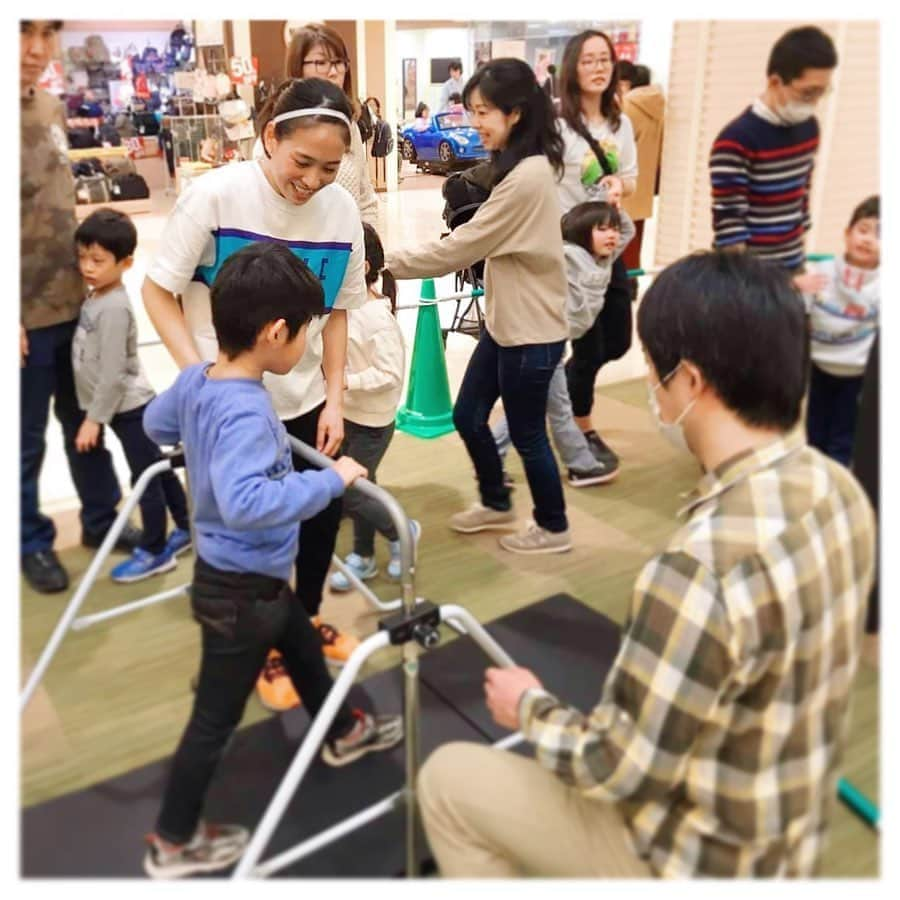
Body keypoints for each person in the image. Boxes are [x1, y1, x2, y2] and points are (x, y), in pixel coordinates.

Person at [417, 250, 876, 878]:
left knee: (448, 779)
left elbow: (618, 768)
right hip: (786, 841)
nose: (655, 392)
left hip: (691, 858)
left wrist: (527, 706)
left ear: (689, 382)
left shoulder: (696, 569)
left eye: (657, 375)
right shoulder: (841, 490)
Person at [141, 243, 402, 879]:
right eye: (307, 332)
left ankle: (341, 731)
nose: (307, 344)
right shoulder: (250, 410)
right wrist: (332, 482)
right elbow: (247, 501)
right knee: (214, 720)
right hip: (239, 590)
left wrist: (193, 416)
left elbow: (155, 423)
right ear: (276, 332)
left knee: (304, 645)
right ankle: (172, 842)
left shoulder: (200, 378)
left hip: (249, 582)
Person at [142, 78, 366, 712]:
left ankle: (304, 626)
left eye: (329, 167)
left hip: (301, 400)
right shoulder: (214, 196)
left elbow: (340, 311)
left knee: (318, 518)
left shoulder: (341, 211)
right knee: (243, 533)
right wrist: (201, 382)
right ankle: (263, 645)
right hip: (232, 404)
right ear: (271, 137)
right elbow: (158, 291)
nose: (313, 180)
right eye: (302, 162)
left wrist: (335, 398)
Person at [385, 58, 572, 555]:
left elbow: (459, 249)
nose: (476, 122)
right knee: (468, 414)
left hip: (531, 333)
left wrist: (384, 262)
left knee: (530, 435)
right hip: (506, 324)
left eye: (484, 111)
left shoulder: (528, 177)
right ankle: (496, 500)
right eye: (472, 111)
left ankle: (554, 528)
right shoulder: (518, 167)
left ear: (515, 112)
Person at [20, 19, 141, 594]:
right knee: (23, 440)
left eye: (46, 32)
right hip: (21, 321)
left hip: (74, 304)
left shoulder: (48, 108)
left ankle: (101, 519)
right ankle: (29, 541)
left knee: (83, 421)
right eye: (22, 31)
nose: (37, 49)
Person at [71, 209, 191, 583]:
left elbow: (113, 372)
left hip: (130, 409)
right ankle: (187, 528)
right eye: (82, 258)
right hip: (123, 407)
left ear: (125, 263)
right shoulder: (97, 295)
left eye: (97, 260)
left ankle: (155, 550)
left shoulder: (114, 308)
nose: (87, 267)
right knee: (156, 467)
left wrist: (94, 419)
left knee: (145, 480)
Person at [492, 200, 635, 487]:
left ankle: (491, 458)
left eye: (614, 230)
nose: (612, 236)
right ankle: (580, 465)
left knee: (534, 406)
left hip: (553, 343)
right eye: (602, 229)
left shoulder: (604, 258)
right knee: (552, 407)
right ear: (582, 231)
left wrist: (615, 204)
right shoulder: (569, 255)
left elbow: (629, 230)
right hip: (539, 341)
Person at [557, 29, 640, 481]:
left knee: (620, 339)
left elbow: (630, 176)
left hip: (610, 241)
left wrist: (618, 186)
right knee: (588, 345)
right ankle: (581, 434)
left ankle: (563, 396)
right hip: (573, 250)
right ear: (573, 67)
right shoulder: (557, 125)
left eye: (604, 59)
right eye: (588, 59)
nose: (597, 67)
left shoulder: (619, 123)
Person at [329, 223, 419, 592]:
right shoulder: (341, 310)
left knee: (352, 490)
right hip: (348, 414)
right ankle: (363, 556)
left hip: (373, 421)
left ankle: (403, 531)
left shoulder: (376, 317)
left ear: (362, 267)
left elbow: (390, 373)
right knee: (364, 487)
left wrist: (347, 381)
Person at [709, 25, 837, 279]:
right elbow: (730, 225)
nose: (814, 102)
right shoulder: (736, 140)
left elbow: (803, 195)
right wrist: (743, 287)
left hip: (792, 263)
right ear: (775, 81)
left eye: (821, 93)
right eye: (808, 92)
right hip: (750, 276)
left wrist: (797, 265)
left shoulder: (810, 127)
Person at [804, 195, 879, 466]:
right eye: (863, 230)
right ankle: (813, 471)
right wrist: (799, 287)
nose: (869, 239)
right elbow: (802, 306)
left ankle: (835, 481)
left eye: (881, 234)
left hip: (856, 374)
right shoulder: (823, 271)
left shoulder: (883, 285)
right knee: (815, 429)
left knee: (843, 435)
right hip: (820, 366)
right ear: (847, 234)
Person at [282, 23, 378, 227]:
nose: (333, 72)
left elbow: (366, 199)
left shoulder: (349, 124)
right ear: (298, 67)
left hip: (349, 248)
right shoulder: (282, 127)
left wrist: (371, 247)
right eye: (321, 62)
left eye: (338, 62)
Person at [620, 64, 665, 283]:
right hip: (644, 183)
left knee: (618, 239)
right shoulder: (658, 106)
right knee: (634, 240)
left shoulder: (628, 106)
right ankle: (632, 284)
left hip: (625, 181)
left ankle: (626, 285)